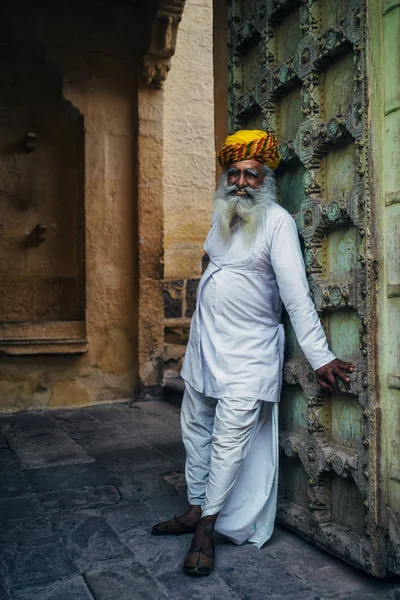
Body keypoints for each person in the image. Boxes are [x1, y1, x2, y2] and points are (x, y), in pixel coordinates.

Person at [152, 130, 355, 576]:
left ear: (265, 180)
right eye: (234, 173)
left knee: (228, 443)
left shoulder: (276, 222)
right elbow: (214, 267)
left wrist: (320, 357)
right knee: (195, 430)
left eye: (251, 174)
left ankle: (207, 528)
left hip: (248, 355)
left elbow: (296, 296)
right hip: (205, 351)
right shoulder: (220, 218)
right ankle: (193, 506)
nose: (241, 182)